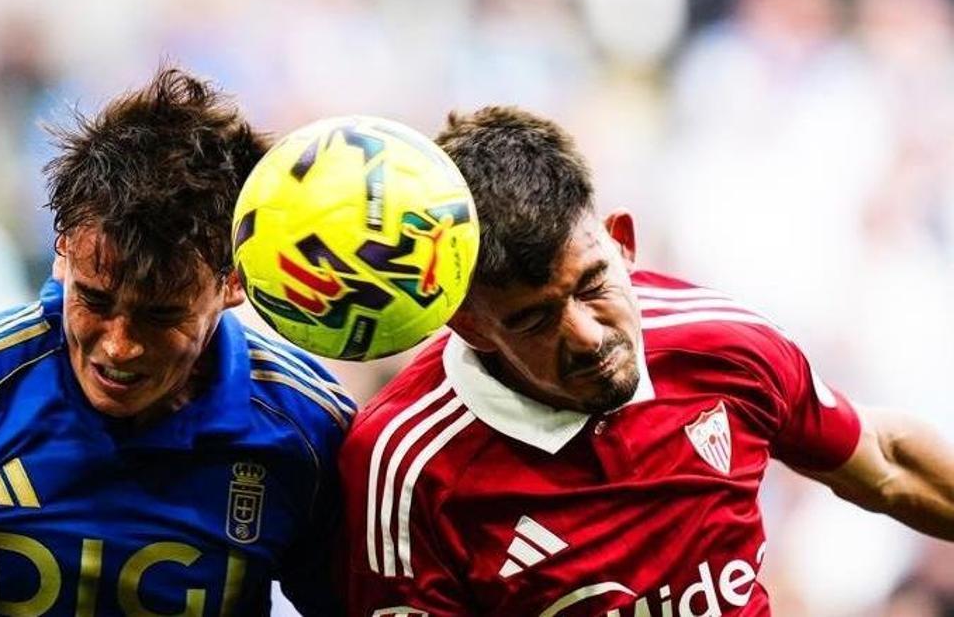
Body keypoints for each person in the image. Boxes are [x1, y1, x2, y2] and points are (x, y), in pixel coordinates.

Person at [339, 106, 954, 616]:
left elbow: (888, 463)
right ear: (469, 325)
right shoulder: (405, 466)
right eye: (531, 319)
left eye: (592, 284)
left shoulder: (724, 346)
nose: (584, 335)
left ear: (622, 241)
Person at [0, 67, 353, 616]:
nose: (119, 346)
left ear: (232, 284)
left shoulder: (308, 428)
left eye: (160, 316)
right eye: (97, 301)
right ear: (62, 249)